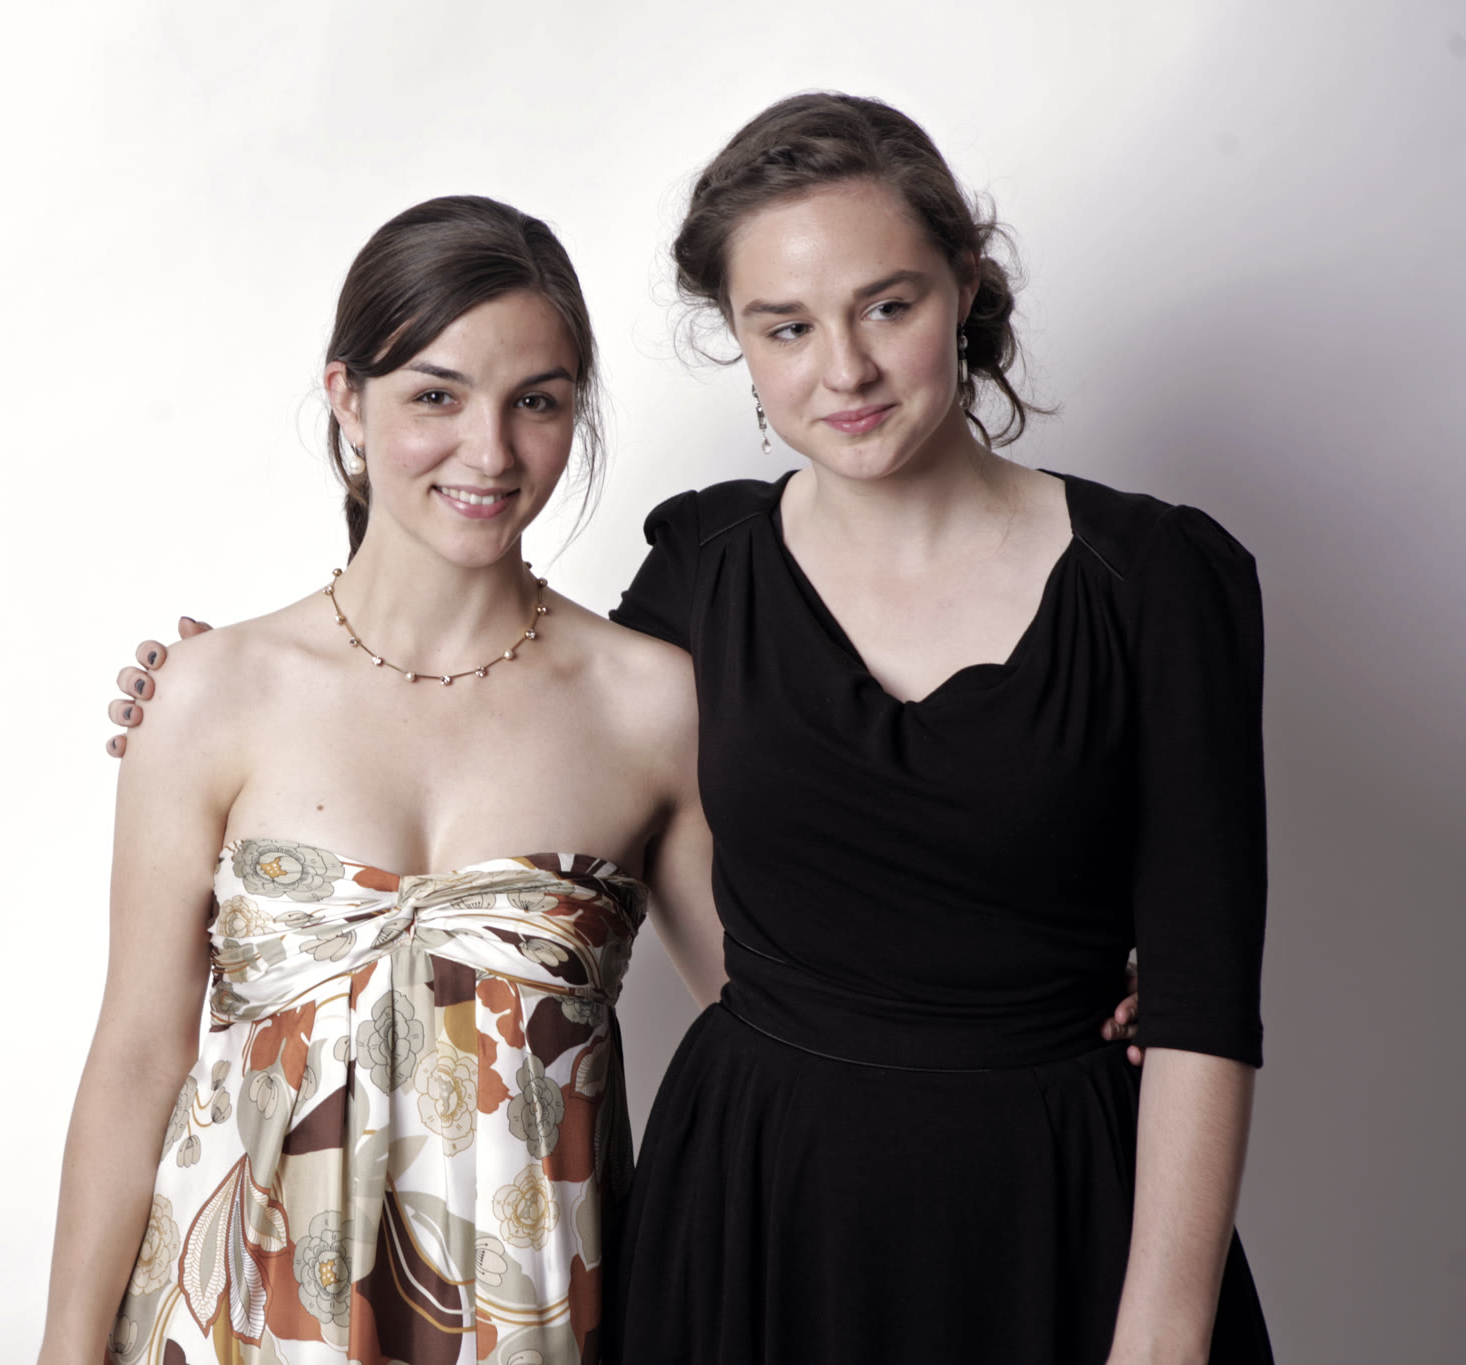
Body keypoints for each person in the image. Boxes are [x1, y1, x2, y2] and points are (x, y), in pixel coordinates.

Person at [108, 92, 1254, 1365]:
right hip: (750, 1222)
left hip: (1053, 1203)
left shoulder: (1153, 580)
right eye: (786, 325)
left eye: (888, 306)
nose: (844, 368)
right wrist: (221, 691)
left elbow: (1202, 1003)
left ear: (965, 291)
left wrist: (1157, 1303)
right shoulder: (700, 582)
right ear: (740, 343)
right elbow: (517, 708)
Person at [37, 194, 727, 1365]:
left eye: (537, 402)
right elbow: (136, 1055)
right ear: (346, 400)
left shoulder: (650, 703)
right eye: (435, 397)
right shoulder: (209, 693)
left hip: (532, 1325)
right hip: (230, 1321)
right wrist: (63, 1349)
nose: (489, 453)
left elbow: (765, 1032)